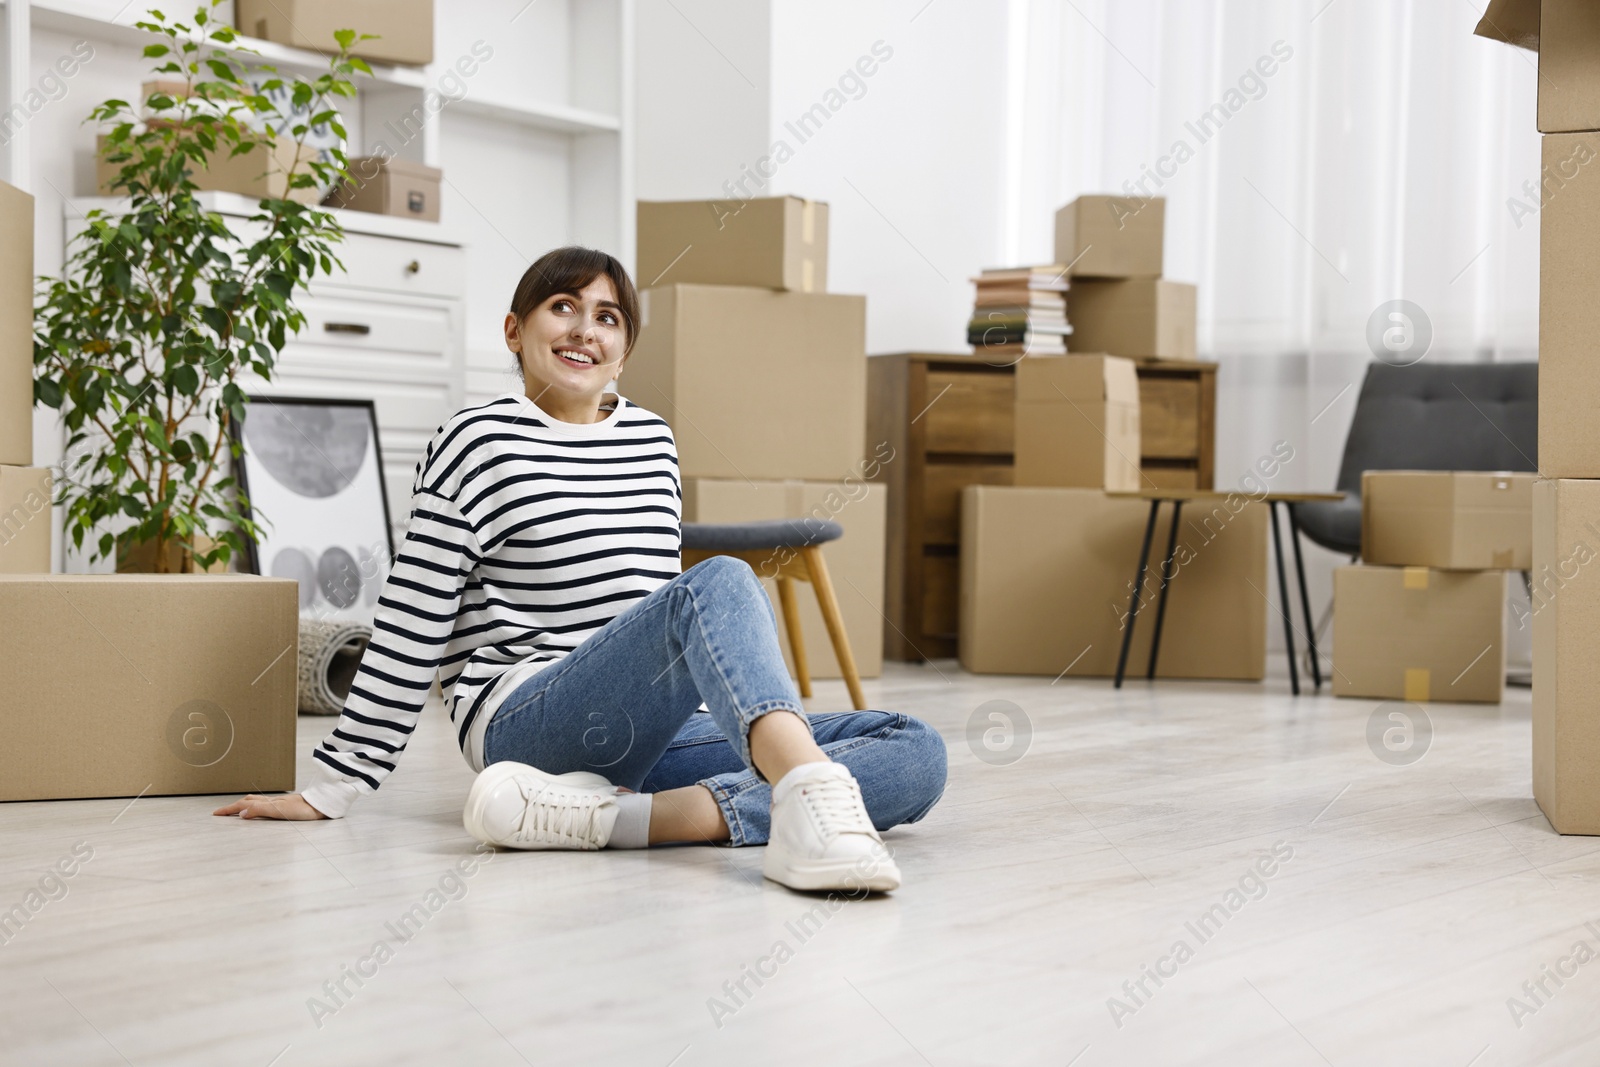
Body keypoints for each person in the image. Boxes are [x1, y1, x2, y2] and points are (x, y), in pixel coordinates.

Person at [215, 246, 947, 893]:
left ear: (623, 349)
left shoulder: (652, 442)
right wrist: (333, 786)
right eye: (562, 307)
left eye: (607, 317)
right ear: (515, 330)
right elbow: (414, 615)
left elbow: (653, 613)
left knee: (916, 750)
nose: (583, 330)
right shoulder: (476, 440)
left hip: (653, 731)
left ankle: (628, 820)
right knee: (723, 580)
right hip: (528, 719)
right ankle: (808, 811)